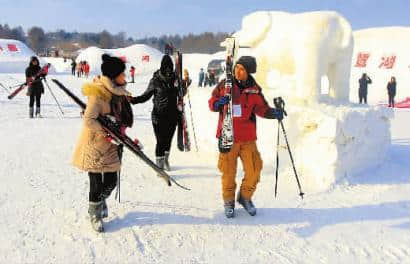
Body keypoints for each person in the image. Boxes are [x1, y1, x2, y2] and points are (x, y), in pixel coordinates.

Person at [208, 56, 284, 218]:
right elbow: (212, 102)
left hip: (247, 138)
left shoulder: (254, 90)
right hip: (228, 137)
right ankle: (229, 201)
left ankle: (245, 197)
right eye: (236, 68)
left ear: (248, 72)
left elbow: (262, 109)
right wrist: (217, 104)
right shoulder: (225, 85)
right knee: (228, 172)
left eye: (241, 69)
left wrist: (273, 113)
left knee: (255, 170)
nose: (237, 71)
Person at [72, 54, 133, 232]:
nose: (125, 77)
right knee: (96, 183)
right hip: (95, 145)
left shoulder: (117, 92)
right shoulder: (98, 94)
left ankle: (100, 200)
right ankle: (95, 213)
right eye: (123, 74)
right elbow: (88, 119)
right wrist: (107, 132)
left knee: (111, 181)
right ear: (114, 76)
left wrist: (117, 128)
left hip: (111, 144)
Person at [129, 55, 190, 171]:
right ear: (161, 67)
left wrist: (185, 85)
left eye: (170, 67)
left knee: (168, 141)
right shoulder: (156, 80)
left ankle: (165, 160)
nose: (168, 70)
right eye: (165, 67)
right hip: (159, 116)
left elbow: (181, 94)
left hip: (173, 116)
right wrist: (133, 100)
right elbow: (145, 96)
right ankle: (159, 165)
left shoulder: (175, 79)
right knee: (161, 141)